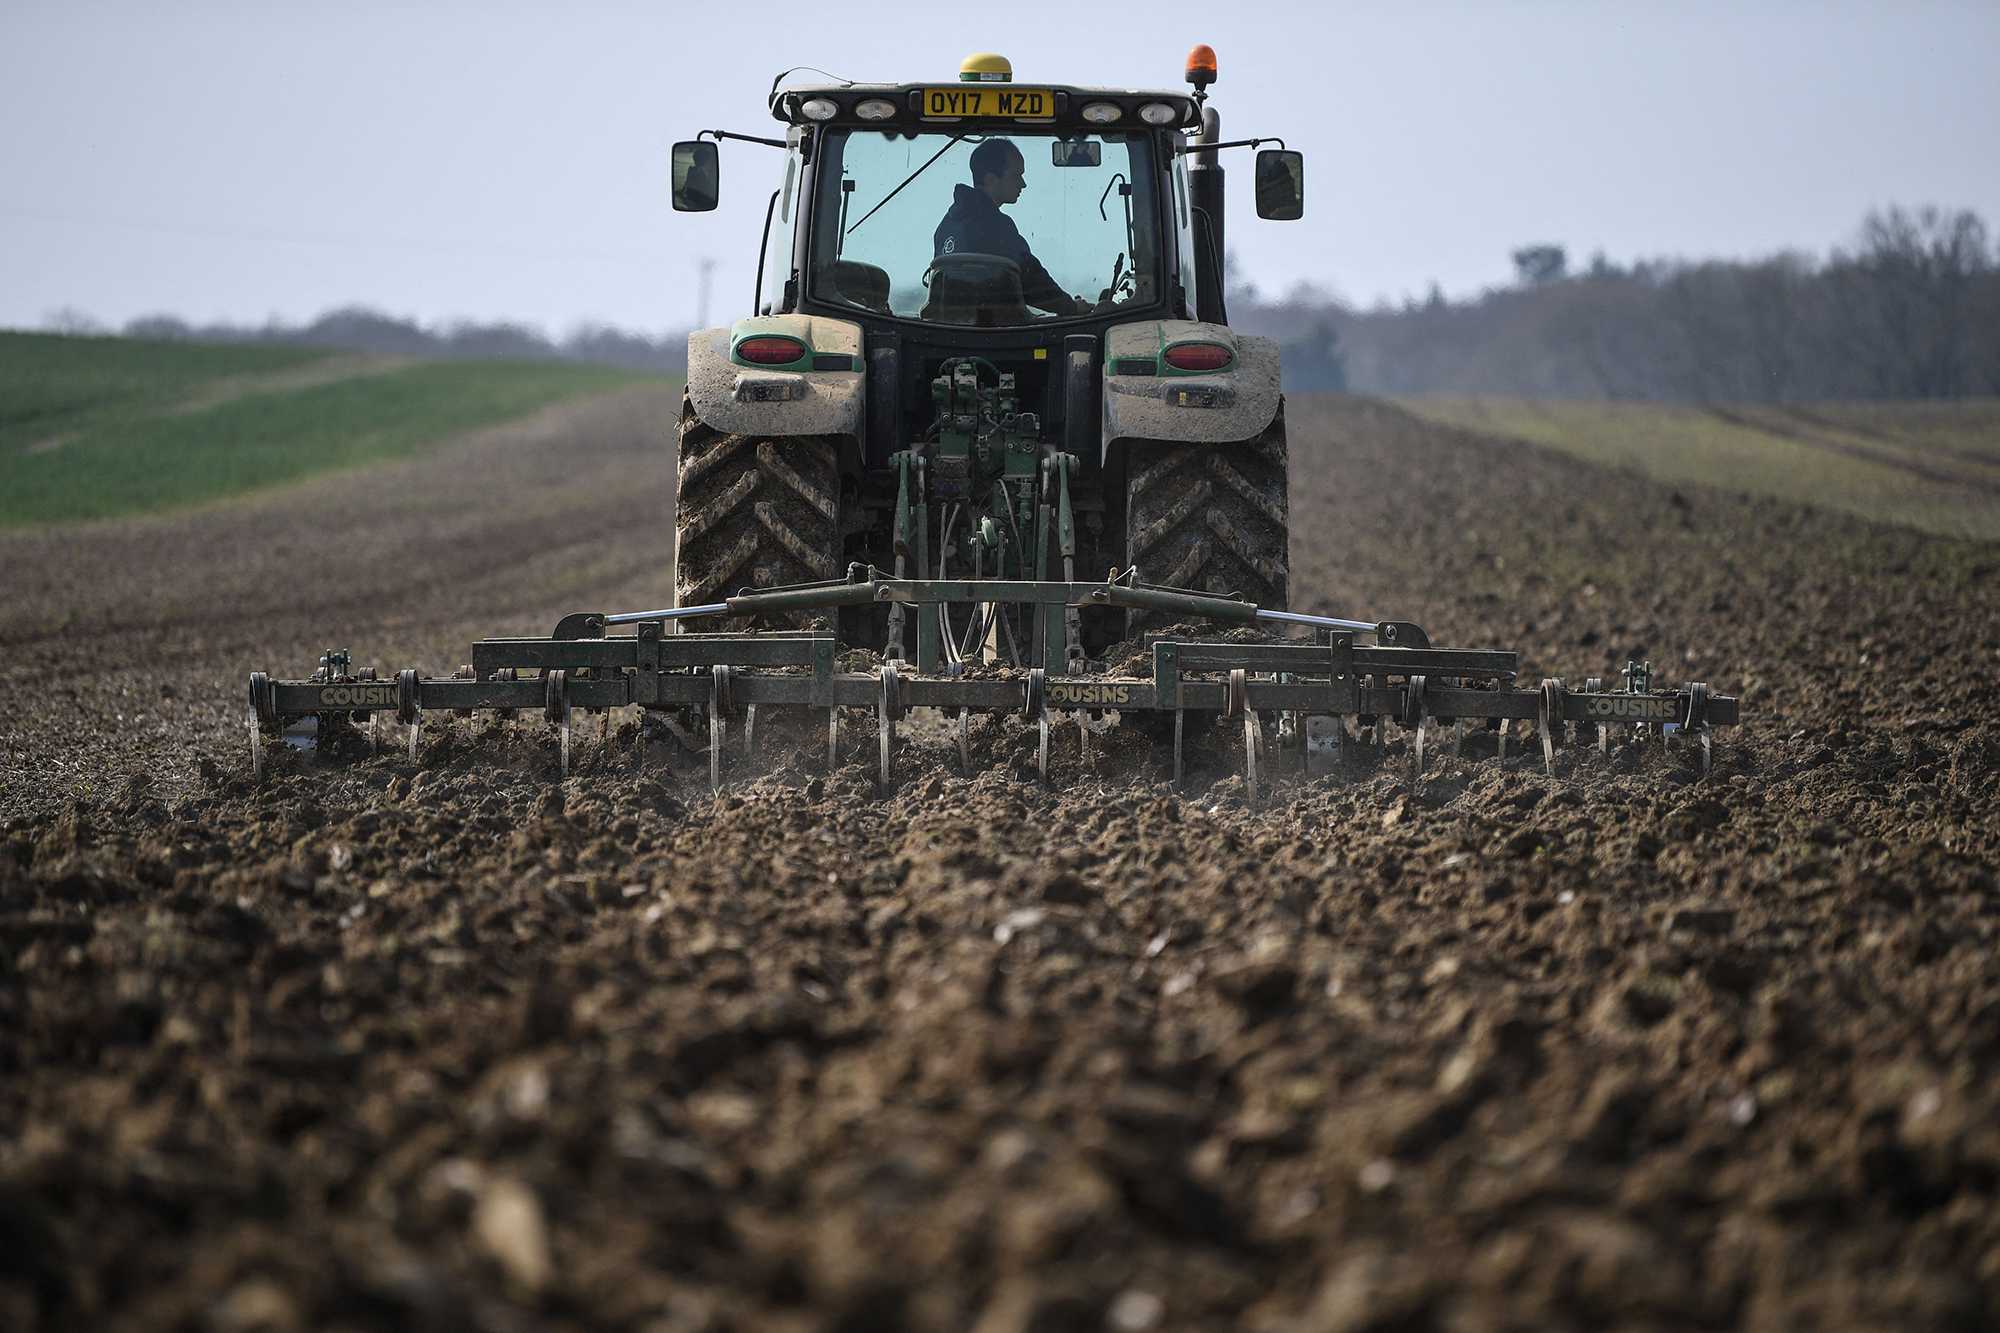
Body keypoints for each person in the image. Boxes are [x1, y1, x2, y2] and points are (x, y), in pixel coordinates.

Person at [934, 138, 1086, 316]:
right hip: (995, 335)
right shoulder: (994, 226)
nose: (1023, 183)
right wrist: (1072, 307)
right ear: (991, 180)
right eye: (1016, 176)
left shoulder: (946, 226)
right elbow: (1031, 280)